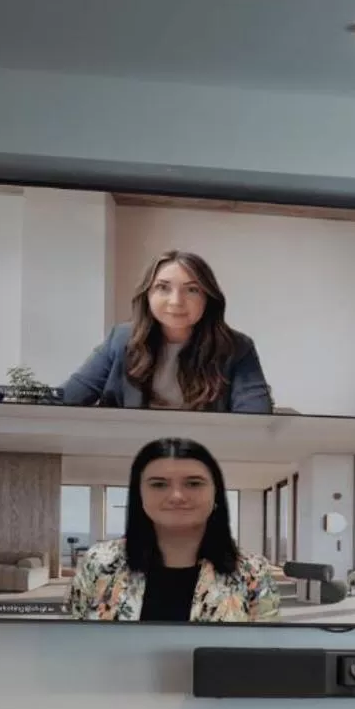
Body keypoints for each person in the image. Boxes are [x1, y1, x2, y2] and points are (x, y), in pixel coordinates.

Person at [68, 438, 281, 622]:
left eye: (194, 484)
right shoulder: (98, 562)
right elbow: (72, 646)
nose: (176, 496)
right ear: (139, 495)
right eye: (159, 485)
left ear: (216, 494)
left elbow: (266, 656)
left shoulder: (253, 571)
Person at [62, 251, 274, 413]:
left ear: (208, 299)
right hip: (128, 452)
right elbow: (69, 397)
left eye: (192, 290)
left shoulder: (237, 347)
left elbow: (256, 415)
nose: (176, 301)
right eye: (163, 288)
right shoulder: (120, 339)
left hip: (203, 455)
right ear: (147, 295)